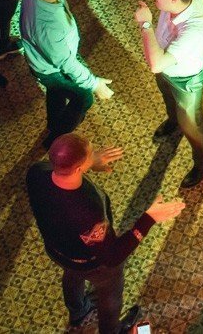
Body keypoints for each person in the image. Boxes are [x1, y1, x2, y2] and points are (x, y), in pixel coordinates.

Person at [27, 133, 184, 333]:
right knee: (111, 293)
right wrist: (149, 218)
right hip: (91, 263)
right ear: (78, 168)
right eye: (91, 153)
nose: (95, 154)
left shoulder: (37, 172)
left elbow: (67, 171)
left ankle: (77, 310)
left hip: (57, 251)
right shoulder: (85, 211)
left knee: (72, 273)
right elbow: (113, 256)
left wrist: (90, 163)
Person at [121, 0, 203, 189]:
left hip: (186, 80)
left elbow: (156, 63)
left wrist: (145, 24)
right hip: (168, 70)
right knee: (168, 99)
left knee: (193, 124)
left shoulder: (194, 31)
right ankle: (173, 121)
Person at [20, 0, 114, 147]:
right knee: (84, 97)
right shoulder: (48, 27)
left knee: (56, 92)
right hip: (50, 70)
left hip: (45, 60)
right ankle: (56, 138)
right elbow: (65, 63)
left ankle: (53, 123)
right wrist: (94, 83)